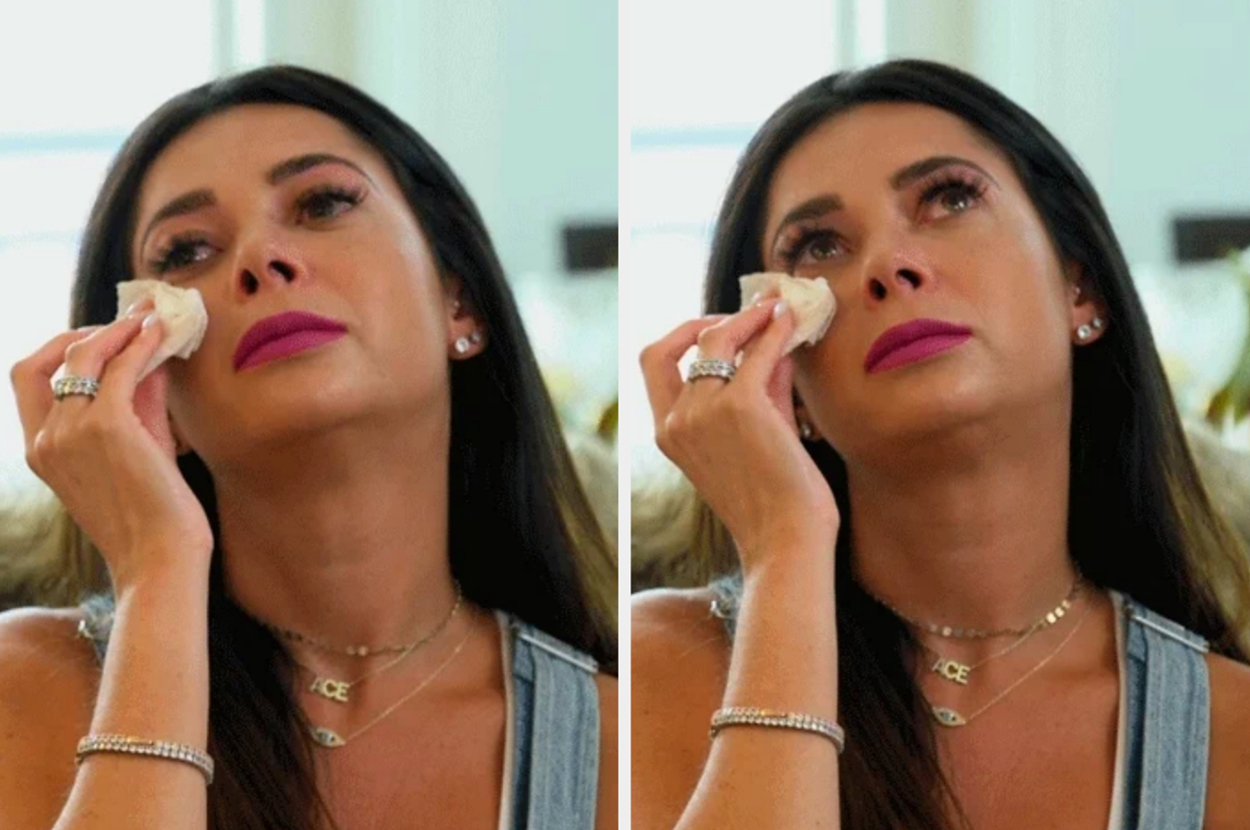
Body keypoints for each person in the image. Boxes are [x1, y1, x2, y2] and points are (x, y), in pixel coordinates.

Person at [633, 59, 1250, 830]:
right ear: (784, 374)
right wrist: (786, 547)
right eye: (819, 247)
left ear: (1079, 289)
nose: (887, 266)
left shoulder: (1233, 733)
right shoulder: (656, 673)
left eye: (950, 197)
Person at [2, 64, 617, 830]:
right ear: (146, 373)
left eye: (322, 202)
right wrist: (158, 570)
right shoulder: (27, 688)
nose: (260, 257)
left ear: (458, 298)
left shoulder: (619, 736)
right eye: (187, 252)